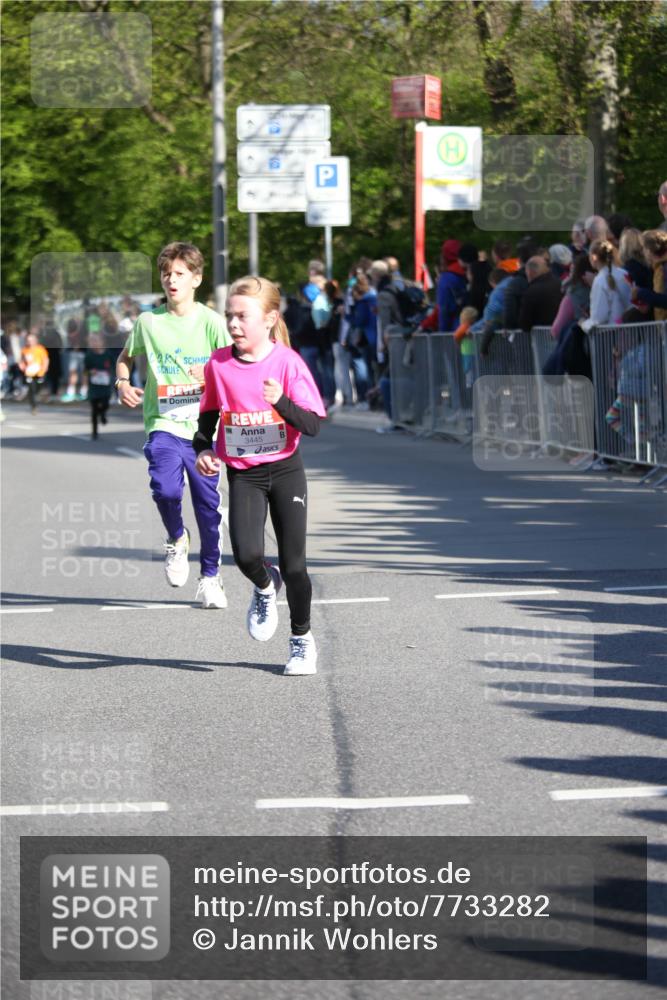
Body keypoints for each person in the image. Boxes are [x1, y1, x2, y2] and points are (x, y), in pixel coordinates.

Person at [193, 276, 326, 675]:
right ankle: (266, 586)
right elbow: (207, 417)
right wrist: (203, 449)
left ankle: (301, 641)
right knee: (247, 555)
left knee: (295, 565)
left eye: (242, 316)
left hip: (285, 470)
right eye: (229, 316)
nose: (233, 324)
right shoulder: (219, 364)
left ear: (269, 319)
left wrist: (281, 401)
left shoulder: (287, 363)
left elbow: (313, 424)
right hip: (244, 473)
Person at [115, 241, 231, 608]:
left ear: (196, 279)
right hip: (163, 421)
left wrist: (210, 371)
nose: (171, 280)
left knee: (207, 506)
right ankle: (177, 539)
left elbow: (234, 366)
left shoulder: (212, 322)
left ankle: (210, 577)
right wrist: (122, 383)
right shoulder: (148, 322)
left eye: (179, 273)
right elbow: (124, 357)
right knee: (166, 490)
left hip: (204, 428)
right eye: (166, 274)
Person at [581, 239, 632, 330]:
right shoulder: (624, 273)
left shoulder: (599, 281)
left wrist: (583, 324)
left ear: (593, 257)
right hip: (630, 329)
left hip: (610, 333)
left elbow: (599, 318)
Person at [519, 256, 563, 331]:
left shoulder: (531, 292)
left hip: (541, 335)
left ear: (530, 272)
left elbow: (525, 323)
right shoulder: (560, 283)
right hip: (562, 333)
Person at [84, 332, 115, 440]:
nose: (93, 343)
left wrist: (111, 374)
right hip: (94, 386)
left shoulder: (108, 354)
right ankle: (94, 432)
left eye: (95, 341)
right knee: (94, 409)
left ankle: (102, 414)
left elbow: (114, 367)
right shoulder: (89, 355)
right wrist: (90, 372)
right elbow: (85, 370)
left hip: (105, 386)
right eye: (91, 341)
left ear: (102, 342)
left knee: (105, 404)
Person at [634, 230, 667, 320]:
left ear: (649, 250)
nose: (642, 252)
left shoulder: (664, 268)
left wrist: (642, 293)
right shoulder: (657, 268)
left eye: (643, 248)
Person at [436, 239, 466, 332]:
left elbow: (444, 308)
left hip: (454, 330)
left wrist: (442, 332)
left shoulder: (446, 278)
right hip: (474, 328)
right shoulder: (470, 272)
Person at [19, 330, 49, 414]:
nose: (30, 342)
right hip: (29, 373)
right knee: (31, 389)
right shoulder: (25, 350)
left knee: (38, 388)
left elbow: (45, 359)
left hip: (39, 373)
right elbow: (22, 360)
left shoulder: (40, 349)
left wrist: (44, 368)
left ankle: (41, 396)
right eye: (28, 340)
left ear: (35, 340)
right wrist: (22, 366)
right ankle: (34, 407)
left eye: (31, 340)